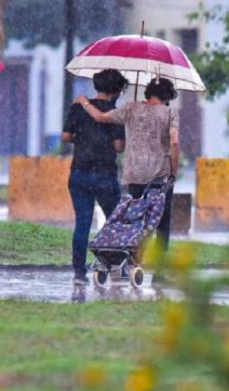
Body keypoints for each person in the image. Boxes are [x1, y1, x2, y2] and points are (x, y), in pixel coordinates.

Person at [76, 77, 180, 255]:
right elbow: (175, 142)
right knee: (162, 224)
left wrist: (84, 102)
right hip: (159, 176)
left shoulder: (131, 108)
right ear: (168, 96)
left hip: (134, 174)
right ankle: (160, 271)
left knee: (133, 221)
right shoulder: (170, 113)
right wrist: (173, 170)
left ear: (149, 92)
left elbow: (100, 117)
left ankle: (130, 261)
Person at [62, 69, 129, 285]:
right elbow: (119, 147)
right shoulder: (115, 113)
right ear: (116, 90)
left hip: (79, 172)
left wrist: (84, 138)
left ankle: (79, 274)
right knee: (114, 223)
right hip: (105, 174)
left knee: (82, 223)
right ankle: (114, 266)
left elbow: (66, 137)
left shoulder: (77, 107)